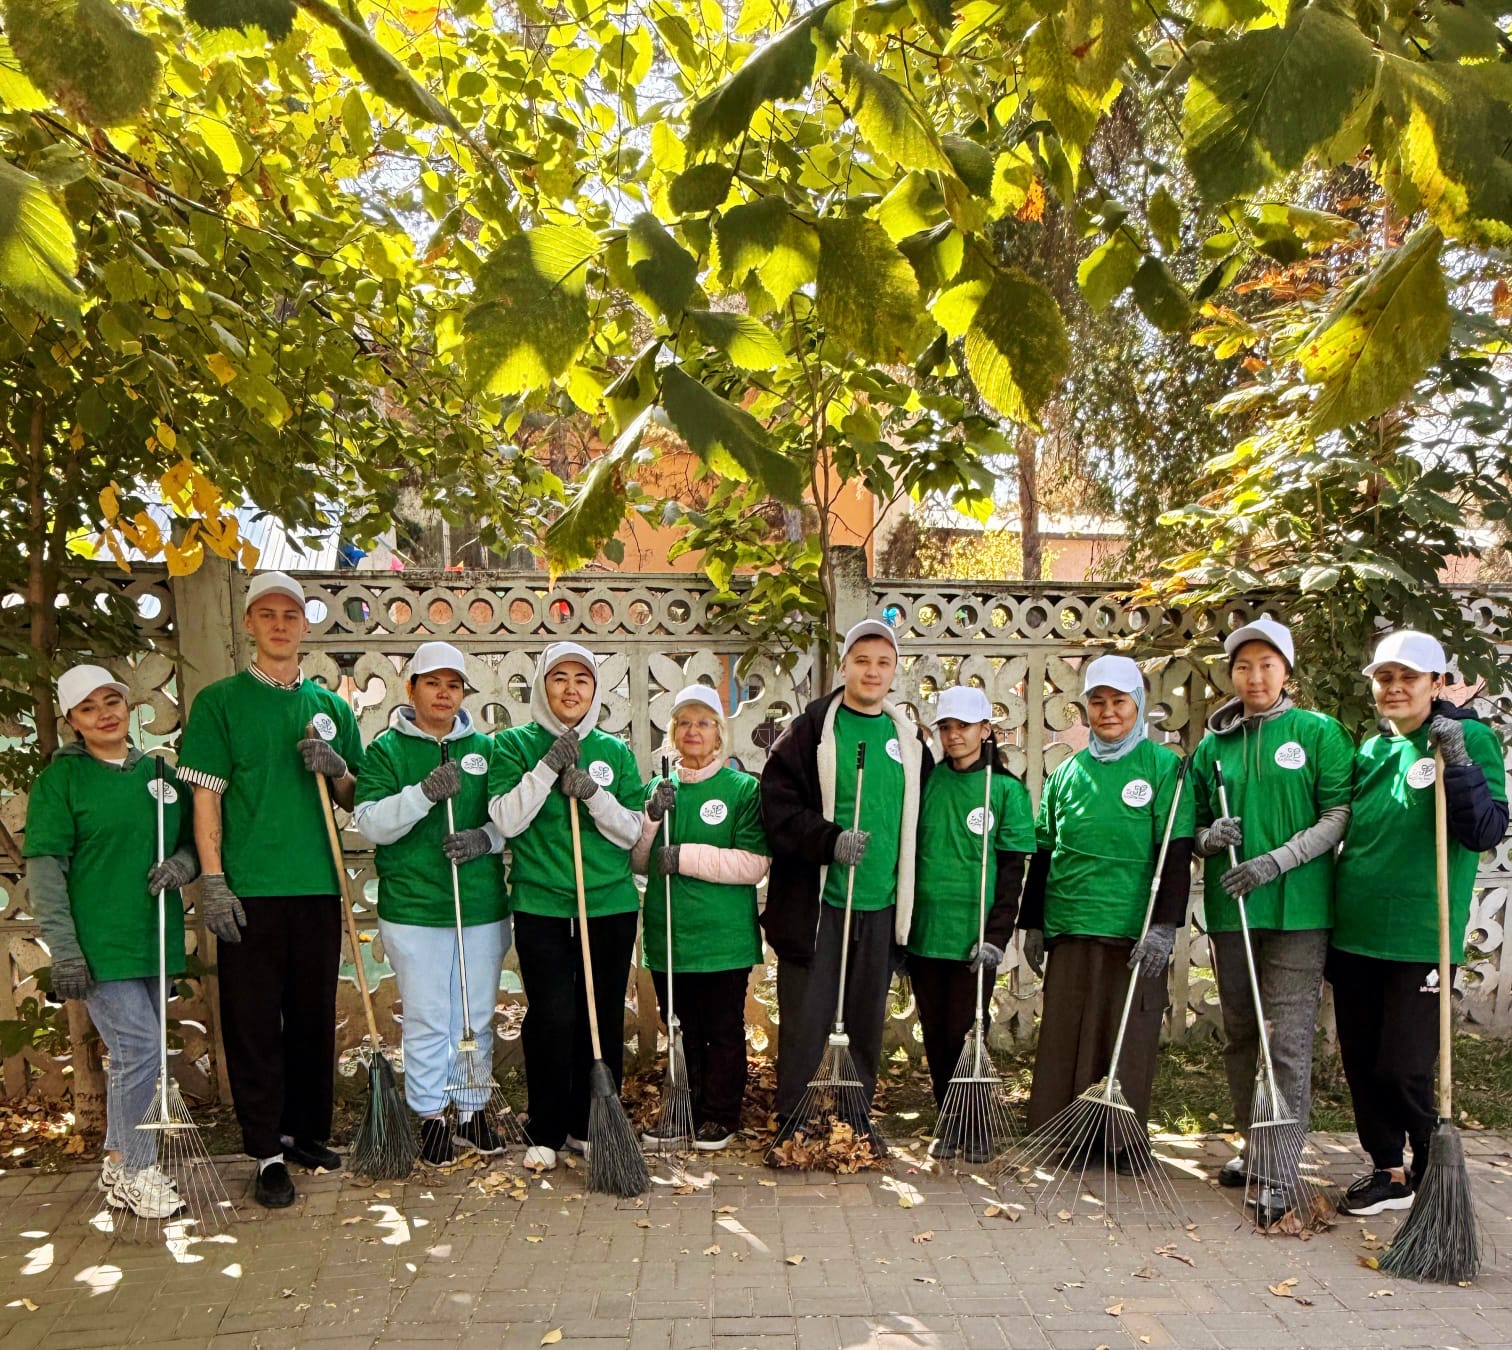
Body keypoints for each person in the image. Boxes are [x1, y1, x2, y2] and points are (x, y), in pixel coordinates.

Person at [176, 571, 364, 1208]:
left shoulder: (329, 708)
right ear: (250, 624)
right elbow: (206, 794)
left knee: (313, 1017)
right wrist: (214, 879)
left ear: (305, 625)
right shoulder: (221, 702)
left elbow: (352, 796)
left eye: (291, 614)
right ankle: (264, 1152)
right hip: (250, 888)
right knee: (254, 1021)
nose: (280, 624)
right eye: (267, 614)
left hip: (316, 884)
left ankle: (306, 1132)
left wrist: (336, 768)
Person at [1330, 629, 1508, 1216]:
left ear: (1436, 683)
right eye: (1385, 678)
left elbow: (1483, 831)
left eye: (1409, 678)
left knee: (1403, 1064)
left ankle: (1435, 1166)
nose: (1395, 688)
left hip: (1420, 935)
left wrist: (1456, 758)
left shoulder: (1471, 740)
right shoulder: (1372, 751)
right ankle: (1388, 1171)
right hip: (1355, 930)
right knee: (1360, 1059)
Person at [1187, 618, 1354, 1216]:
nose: (1254, 676)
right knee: (1242, 1035)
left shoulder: (1319, 732)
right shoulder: (1214, 745)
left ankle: (1280, 1171)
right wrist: (1211, 837)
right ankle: (1255, 1147)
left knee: (1285, 1040)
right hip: (1233, 911)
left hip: (1299, 910)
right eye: (1242, 666)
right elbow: (1195, 826)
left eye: (1266, 664)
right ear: (1229, 674)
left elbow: (1337, 815)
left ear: (1286, 670)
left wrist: (1273, 863)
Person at [23, 664, 199, 1218]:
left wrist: (181, 864)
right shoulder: (62, 781)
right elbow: (46, 872)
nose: (105, 713)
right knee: (139, 1050)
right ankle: (134, 1171)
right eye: (89, 707)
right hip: (99, 944)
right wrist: (65, 951)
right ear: (73, 721)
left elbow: (196, 844)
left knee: (140, 1054)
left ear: (128, 707)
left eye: (112, 701)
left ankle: (119, 1158)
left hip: (153, 937)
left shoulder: (161, 775)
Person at [761, 619, 933, 1150]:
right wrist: (829, 840)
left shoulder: (909, 742)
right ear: (844, 667)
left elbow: (921, 822)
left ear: (894, 671)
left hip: (879, 902)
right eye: (862, 660)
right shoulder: (813, 731)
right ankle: (794, 1118)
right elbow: (777, 805)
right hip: (821, 904)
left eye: (883, 663)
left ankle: (855, 1118)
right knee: (808, 1018)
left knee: (863, 1017)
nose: (872, 671)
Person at [1018, 654, 1194, 1143]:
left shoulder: (1164, 768)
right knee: (1065, 1034)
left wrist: (1163, 927)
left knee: (1127, 1034)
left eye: (1119, 701)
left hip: (1132, 929)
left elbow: (1175, 851)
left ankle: (1116, 1141)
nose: (1109, 712)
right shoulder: (1067, 772)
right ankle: (1060, 1134)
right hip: (1071, 920)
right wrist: (1034, 923)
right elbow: (1045, 851)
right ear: (1084, 709)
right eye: (1098, 702)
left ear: (1138, 705)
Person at [487, 642, 644, 1170]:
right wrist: (548, 768)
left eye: (583, 678)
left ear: (595, 689)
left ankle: (593, 1122)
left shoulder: (615, 752)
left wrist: (595, 796)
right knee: (552, 1015)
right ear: (541, 686)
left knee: (601, 1016)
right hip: (543, 905)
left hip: (608, 905)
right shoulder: (512, 746)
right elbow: (507, 821)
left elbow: (630, 832)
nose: (571, 688)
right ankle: (547, 1126)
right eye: (559, 678)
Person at [352, 641, 510, 1165]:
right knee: (426, 1016)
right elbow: (370, 821)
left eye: (454, 684)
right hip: (415, 908)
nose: (444, 694)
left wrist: (484, 838)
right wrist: (422, 794)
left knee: (476, 1013)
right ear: (411, 688)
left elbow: (514, 819)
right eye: (432, 683)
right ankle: (429, 1114)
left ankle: (471, 1109)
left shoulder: (488, 750)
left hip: (480, 904)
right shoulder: (386, 752)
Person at [633, 685, 769, 1151]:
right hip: (671, 933)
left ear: (719, 736)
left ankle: (720, 1114)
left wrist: (685, 856)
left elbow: (754, 864)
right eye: (685, 722)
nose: (694, 731)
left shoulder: (742, 789)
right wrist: (652, 816)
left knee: (723, 1029)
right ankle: (683, 1110)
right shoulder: (657, 789)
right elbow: (635, 861)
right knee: (681, 1027)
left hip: (722, 937)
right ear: (672, 733)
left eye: (705, 723)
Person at [906, 686, 1035, 1160]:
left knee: (968, 1031)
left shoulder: (1005, 790)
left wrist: (997, 936)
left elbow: (1011, 869)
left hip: (974, 935)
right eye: (946, 727)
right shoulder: (928, 782)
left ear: (986, 731)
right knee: (935, 1031)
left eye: (964, 726)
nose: (954, 735)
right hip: (925, 932)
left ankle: (977, 1123)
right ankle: (949, 1119)